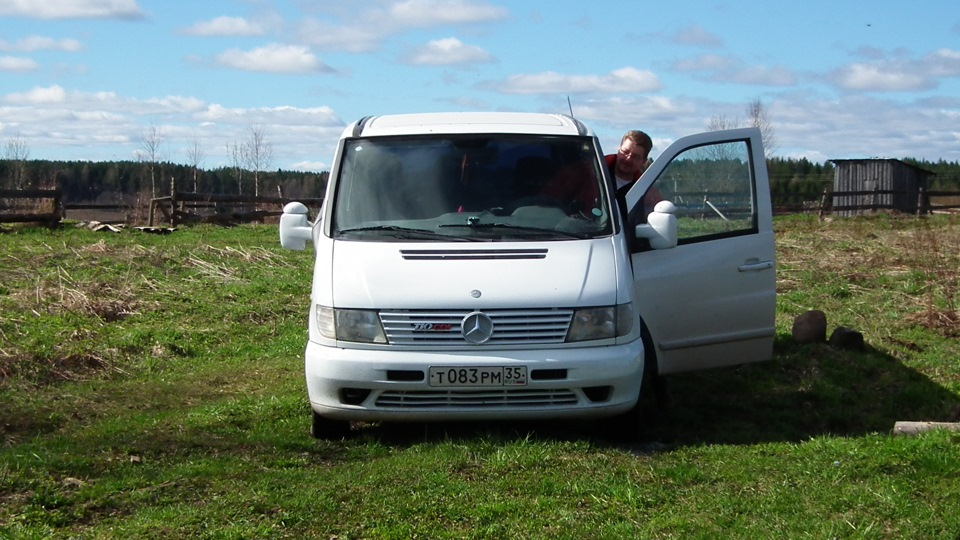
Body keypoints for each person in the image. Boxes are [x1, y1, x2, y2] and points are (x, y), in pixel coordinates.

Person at [605, 130, 660, 220]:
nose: (628, 159)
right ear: (619, 149)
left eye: (635, 156)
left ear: (643, 161)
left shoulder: (646, 192)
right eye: (625, 152)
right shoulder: (593, 172)